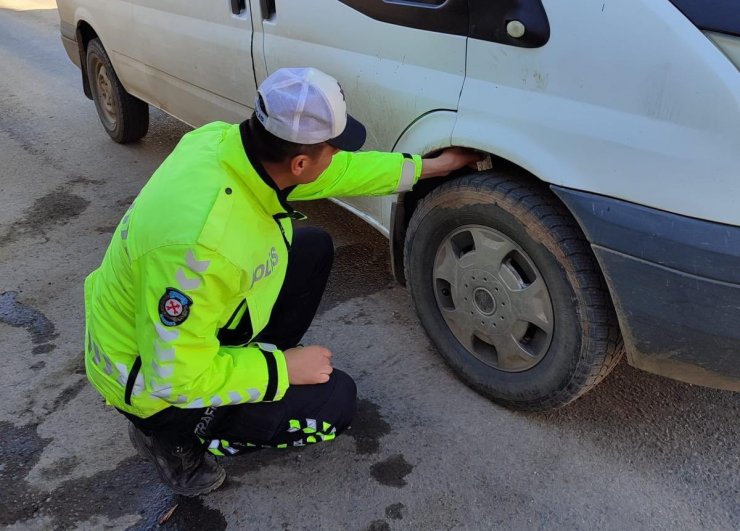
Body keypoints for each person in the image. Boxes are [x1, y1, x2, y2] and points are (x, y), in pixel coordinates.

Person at [83, 67, 480, 496]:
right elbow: (173, 378)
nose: (335, 155)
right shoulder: (200, 254)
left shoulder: (222, 143)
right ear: (299, 161)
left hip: (178, 330)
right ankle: (176, 441)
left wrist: (427, 168)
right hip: (153, 382)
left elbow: (335, 171)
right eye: (331, 147)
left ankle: (243, 374)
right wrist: (282, 369)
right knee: (337, 403)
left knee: (310, 248)